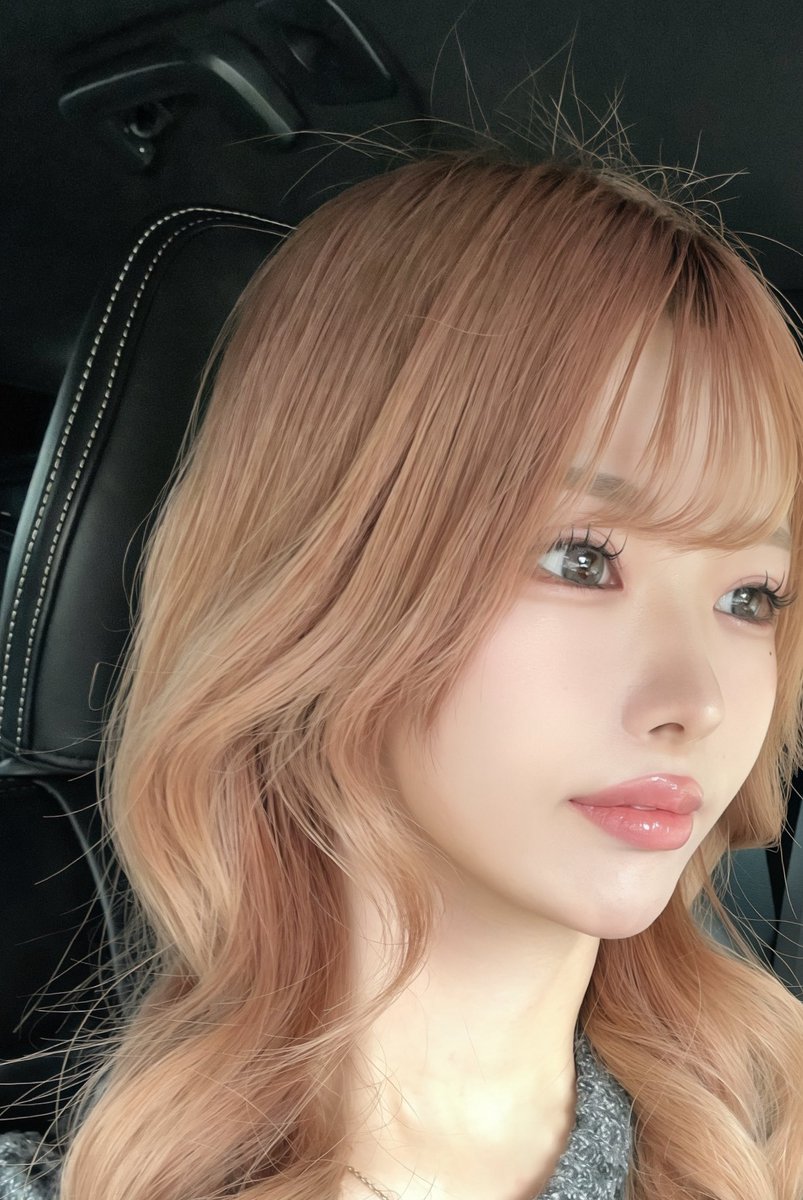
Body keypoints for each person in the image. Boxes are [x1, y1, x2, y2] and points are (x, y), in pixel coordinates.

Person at [3, 117, 803, 1200]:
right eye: (578, 559)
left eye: (750, 596)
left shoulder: (766, 1128)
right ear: (326, 569)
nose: (696, 702)